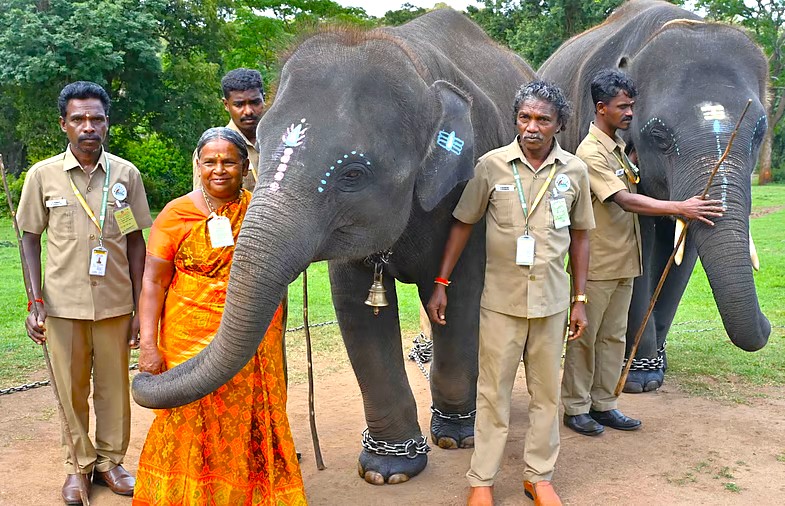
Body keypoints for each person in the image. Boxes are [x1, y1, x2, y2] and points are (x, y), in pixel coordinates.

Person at [427, 81, 595, 506]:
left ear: (559, 125)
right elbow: (463, 223)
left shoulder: (574, 170)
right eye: (525, 117)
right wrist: (441, 284)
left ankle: (539, 478)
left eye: (543, 119)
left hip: (552, 304)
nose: (532, 127)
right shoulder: (491, 166)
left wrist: (580, 299)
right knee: (493, 394)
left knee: (545, 395)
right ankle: (481, 481)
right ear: (515, 119)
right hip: (500, 304)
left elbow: (580, 237)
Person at [133, 127, 307, 505]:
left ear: (245, 168)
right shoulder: (176, 214)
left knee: (249, 412)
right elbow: (153, 282)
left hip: (252, 329)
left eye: (229, 161)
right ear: (197, 166)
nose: (219, 169)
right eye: (209, 162)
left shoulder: (262, 212)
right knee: (189, 409)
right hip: (187, 332)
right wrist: (148, 344)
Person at [560, 69, 724, 436]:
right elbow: (623, 199)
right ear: (601, 108)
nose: (631, 112)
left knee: (614, 338)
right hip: (597, 264)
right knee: (586, 339)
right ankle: (575, 407)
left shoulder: (618, 149)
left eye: (633, 105)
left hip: (624, 260)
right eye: (623, 106)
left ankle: (604, 403)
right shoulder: (589, 153)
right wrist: (681, 207)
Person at [18, 81, 152, 504]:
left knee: (114, 389)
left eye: (96, 118)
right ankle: (77, 468)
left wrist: (138, 307)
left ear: (106, 123)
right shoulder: (43, 176)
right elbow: (28, 239)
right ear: (64, 125)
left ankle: (111, 462)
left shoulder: (125, 174)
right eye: (78, 119)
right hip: (61, 306)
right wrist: (35, 301)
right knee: (69, 390)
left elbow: (135, 242)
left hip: (115, 304)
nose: (88, 126)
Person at [192, 68, 265, 191]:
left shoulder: (281, 141)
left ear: (264, 99)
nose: (248, 111)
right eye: (239, 104)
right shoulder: (212, 148)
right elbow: (203, 200)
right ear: (226, 104)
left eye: (254, 102)